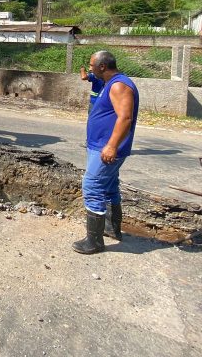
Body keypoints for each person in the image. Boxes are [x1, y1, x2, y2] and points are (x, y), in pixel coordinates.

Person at [73, 50, 139, 255]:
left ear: (102, 66)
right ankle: (112, 228)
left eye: (92, 65)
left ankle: (94, 241)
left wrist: (111, 146)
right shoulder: (108, 83)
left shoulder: (119, 85)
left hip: (107, 148)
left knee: (92, 185)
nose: (90, 68)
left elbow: (125, 118)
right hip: (99, 145)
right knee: (109, 187)